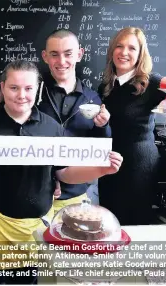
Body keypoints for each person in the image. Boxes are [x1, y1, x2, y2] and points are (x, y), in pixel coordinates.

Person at [0, 60, 123, 284]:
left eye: (28, 89)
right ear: (2, 88)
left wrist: (101, 169)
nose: (21, 95)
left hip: (34, 230)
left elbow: (64, 173)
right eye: (14, 88)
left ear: (37, 90)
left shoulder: (51, 128)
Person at [97, 27, 166, 225]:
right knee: (109, 228)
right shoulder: (105, 86)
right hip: (109, 168)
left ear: (140, 55)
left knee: (135, 231)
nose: (124, 52)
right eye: (119, 46)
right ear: (112, 50)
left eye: (132, 48)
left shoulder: (152, 83)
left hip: (140, 171)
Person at [38, 29, 111, 211]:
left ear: (79, 54)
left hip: (79, 194)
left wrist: (103, 126)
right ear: (45, 57)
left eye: (68, 54)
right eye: (54, 55)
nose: (61, 62)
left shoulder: (92, 98)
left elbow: (100, 149)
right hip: (38, 191)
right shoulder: (33, 95)